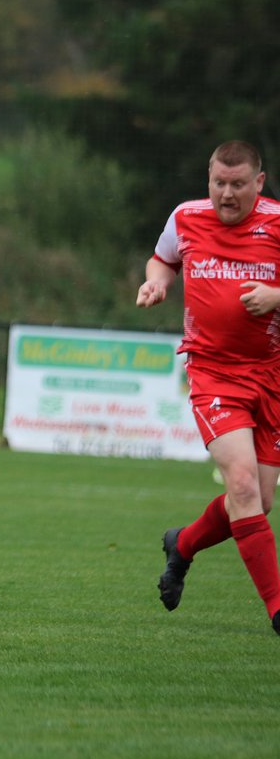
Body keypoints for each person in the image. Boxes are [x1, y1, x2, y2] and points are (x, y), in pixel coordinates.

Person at [136, 139, 280, 635]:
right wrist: (157, 282)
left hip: (271, 376)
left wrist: (277, 295)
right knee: (240, 486)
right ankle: (278, 609)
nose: (225, 194)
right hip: (213, 371)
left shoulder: (278, 224)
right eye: (218, 182)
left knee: (258, 502)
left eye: (237, 184)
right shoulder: (186, 217)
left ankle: (183, 543)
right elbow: (163, 259)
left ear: (258, 183)